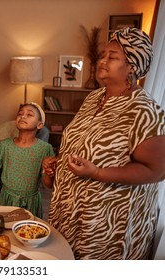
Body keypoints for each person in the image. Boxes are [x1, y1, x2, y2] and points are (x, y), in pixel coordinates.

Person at [42, 27, 165, 260]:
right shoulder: (94, 97)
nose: (103, 60)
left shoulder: (144, 110)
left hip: (107, 224)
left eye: (113, 57)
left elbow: (157, 170)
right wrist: (59, 163)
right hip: (72, 212)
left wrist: (97, 172)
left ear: (132, 66)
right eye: (103, 54)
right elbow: (85, 142)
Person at [0, 103, 54, 218]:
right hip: (7, 200)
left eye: (29, 114)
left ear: (40, 124)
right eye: (20, 114)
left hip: (31, 202)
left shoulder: (45, 149)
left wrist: (49, 173)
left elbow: (48, 185)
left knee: (29, 232)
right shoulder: (5, 145)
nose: (23, 116)